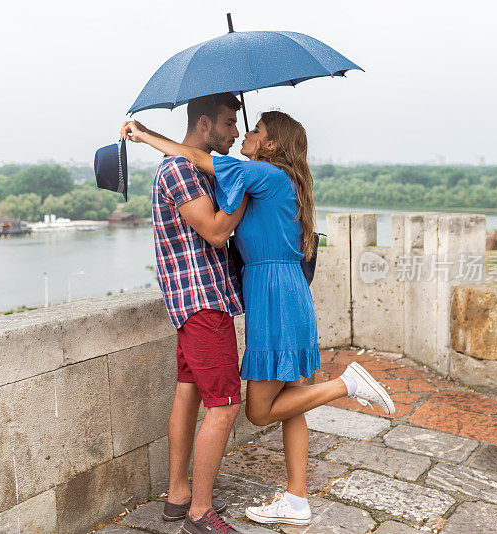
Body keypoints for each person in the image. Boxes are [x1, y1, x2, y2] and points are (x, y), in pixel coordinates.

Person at [122, 110, 395, 526]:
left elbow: (197, 158)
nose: (245, 133)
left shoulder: (262, 176)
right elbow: (194, 155)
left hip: (275, 300)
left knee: (259, 411)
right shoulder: (275, 178)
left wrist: (143, 137)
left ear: (269, 145)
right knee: (289, 404)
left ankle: (348, 383)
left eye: (254, 129)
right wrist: (149, 134)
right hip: (287, 295)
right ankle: (297, 500)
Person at [136, 92, 250, 533]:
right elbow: (217, 231)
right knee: (224, 405)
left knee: (188, 395)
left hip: (196, 302)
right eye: (227, 123)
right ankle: (200, 514)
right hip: (202, 303)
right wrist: (246, 189)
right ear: (204, 125)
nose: (235, 133)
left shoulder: (192, 165)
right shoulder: (181, 170)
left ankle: (178, 495)